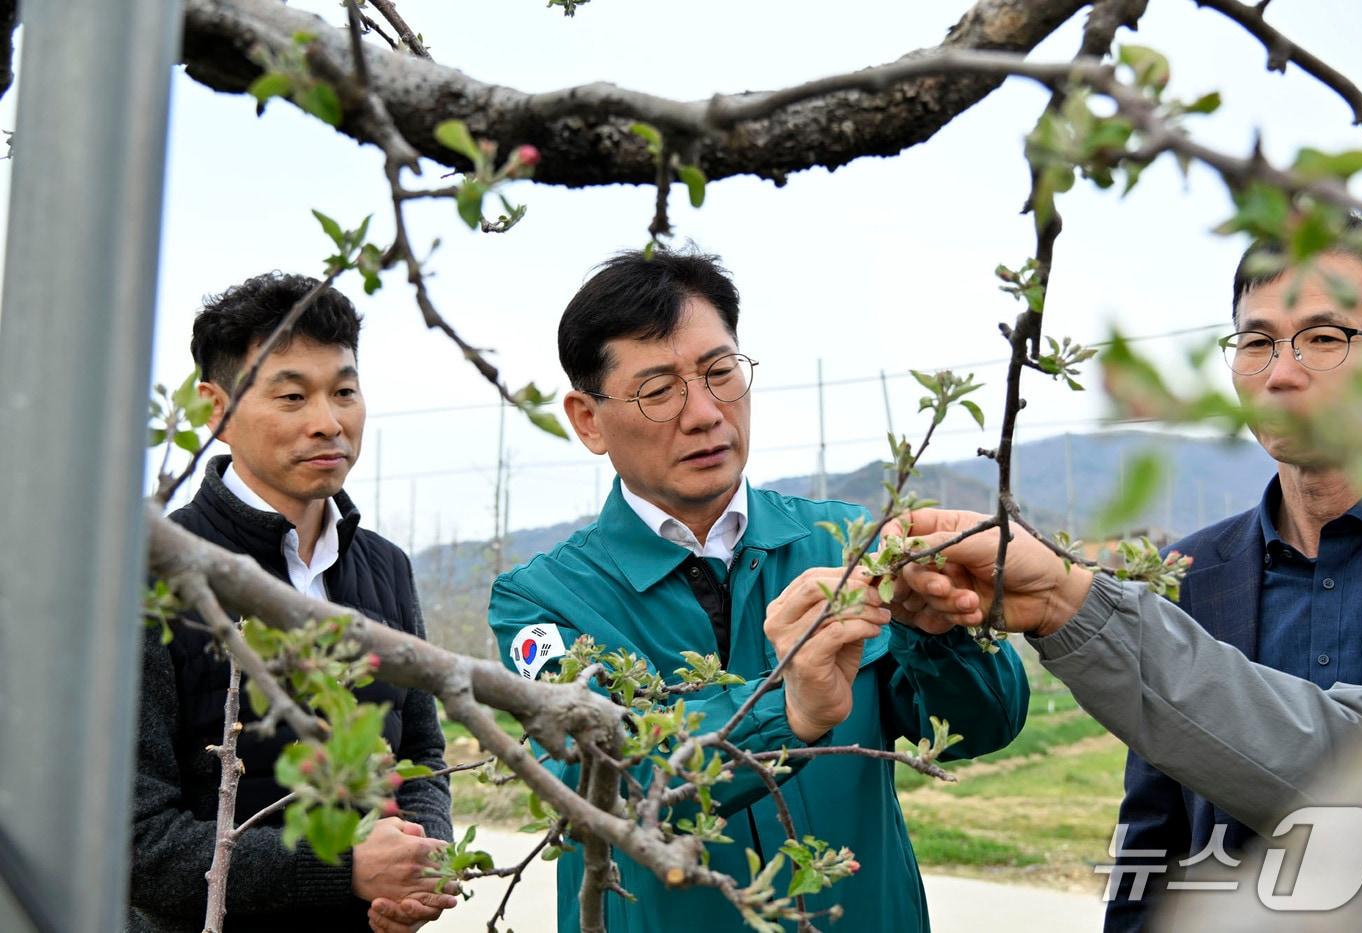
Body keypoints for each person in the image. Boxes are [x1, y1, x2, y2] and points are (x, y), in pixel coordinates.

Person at [488, 249, 1029, 932]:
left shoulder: (843, 542)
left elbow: (986, 725)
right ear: (588, 419)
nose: (705, 413)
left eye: (720, 373)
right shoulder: (545, 600)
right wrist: (790, 713)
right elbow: (602, 782)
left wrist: (941, 632)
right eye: (658, 391)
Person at [886, 507, 1362, 930]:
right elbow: (1156, 821)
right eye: (1254, 370)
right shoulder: (1195, 568)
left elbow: (1351, 764)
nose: (1282, 377)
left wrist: (1063, 601)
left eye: (1325, 370)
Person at [129, 273, 455, 933]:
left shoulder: (384, 568)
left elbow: (421, 750)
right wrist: (345, 867)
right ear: (214, 409)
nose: (327, 421)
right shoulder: (146, 575)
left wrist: (418, 868)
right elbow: (135, 841)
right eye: (291, 395)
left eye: (344, 391)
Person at [1107, 231, 1362, 929]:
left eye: (1325, 338)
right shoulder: (1189, 578)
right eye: (1257, 341)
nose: (1283, 374)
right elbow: (1153, 841)